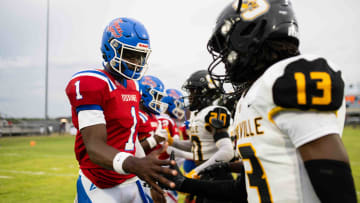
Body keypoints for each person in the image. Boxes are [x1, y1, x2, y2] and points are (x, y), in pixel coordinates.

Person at [205, 0, 357, 202]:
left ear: (249, 35)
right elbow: (258, 174)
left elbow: (334, 183)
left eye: (226, 46)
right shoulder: (252, 95)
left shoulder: (288, 77)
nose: (224, 58)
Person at [65, 17, 176, 203]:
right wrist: (136, 164)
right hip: (99, 184)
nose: (136, 62)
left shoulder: (133, 86)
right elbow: (95, 147)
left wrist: (148, 175)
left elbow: (130, 138)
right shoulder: (92, 82)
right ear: (111, 48)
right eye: (130, 54)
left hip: (131, 179)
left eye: (140, 56)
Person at [170, 70, 235, 203]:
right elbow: (196, 145)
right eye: (190, 91)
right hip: (206, 176)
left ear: (209, 92)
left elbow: (227, 151)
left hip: (217, 177)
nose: (190, 96)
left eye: (194, 91)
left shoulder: (215, 112)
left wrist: (196, 172)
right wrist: (172, 142)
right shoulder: (199, 114)